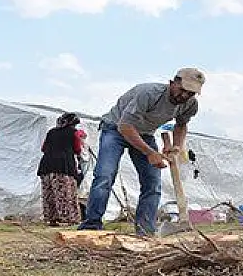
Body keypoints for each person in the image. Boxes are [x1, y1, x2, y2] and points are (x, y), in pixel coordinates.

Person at [78, 68, 205, 235]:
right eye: (182, 90)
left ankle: (145, 231)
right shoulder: (148, 94)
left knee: (152, 183)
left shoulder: (189, 104)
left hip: (144, 134)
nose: (184, 96)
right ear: (172, 83)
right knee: (104, 176)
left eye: (190, 93)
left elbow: (181, 125)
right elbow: (125, 126)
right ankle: (91, 226)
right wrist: (150, 152)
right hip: (115, 128)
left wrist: (176, 147)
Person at [36, 112, 84, 226]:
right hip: (63, 165)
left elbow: (43, 148)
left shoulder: (51, 132)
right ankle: (68, 218)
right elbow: (78, 149)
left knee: (49, 193)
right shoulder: (74, 133)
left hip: (46, 165)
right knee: (65, 192)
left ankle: (51, 218)